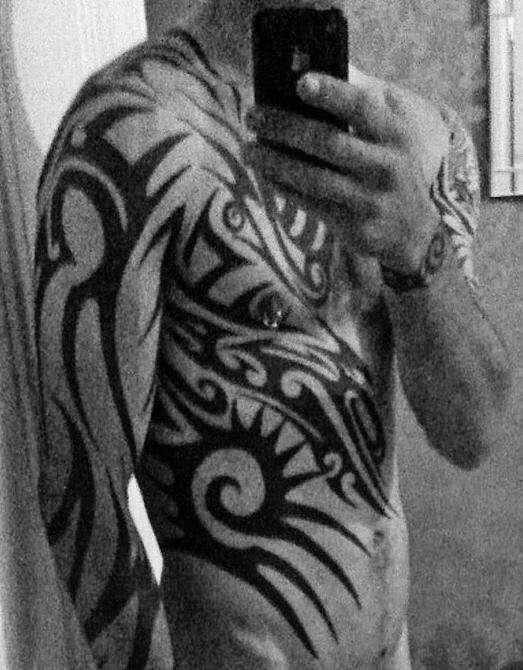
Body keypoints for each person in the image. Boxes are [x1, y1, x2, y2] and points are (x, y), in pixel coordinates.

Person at [34, 0, 511, 668]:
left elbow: (472, 431)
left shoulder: (422, 140)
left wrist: (417, 247)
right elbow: (80, 489)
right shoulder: (133, 129)